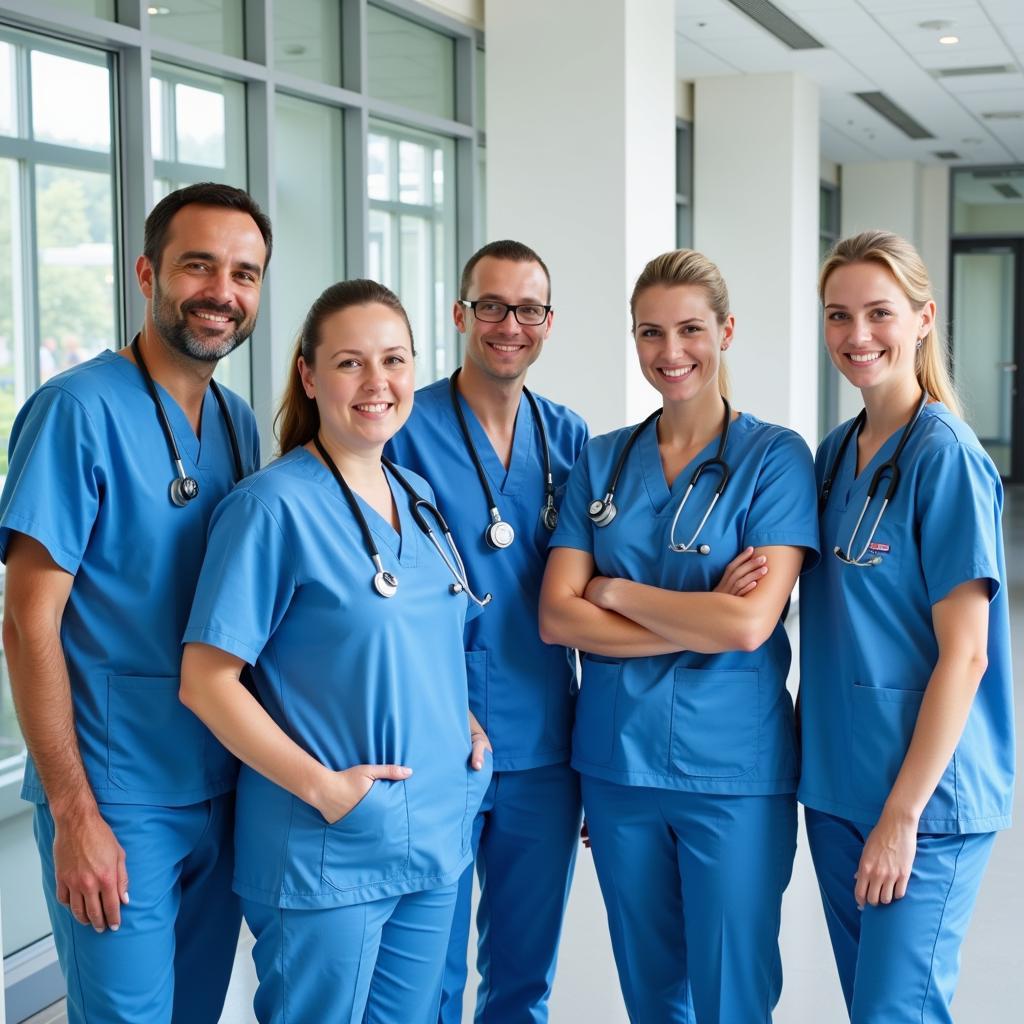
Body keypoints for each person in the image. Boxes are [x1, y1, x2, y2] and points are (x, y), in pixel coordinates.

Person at [180, 279, 492, 1024]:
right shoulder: (270, 508)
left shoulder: (414, 494)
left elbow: (427, 639)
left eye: (394, 359)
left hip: (435, 829)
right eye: (351, 363)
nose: (377, 383)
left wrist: (464, 724)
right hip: (328, 847)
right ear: (310, 376)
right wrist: (323, 789)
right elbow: (206, 680)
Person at [0, 182, 269, 1023]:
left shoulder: (237, 423)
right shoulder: (74, 411)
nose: (222, 292)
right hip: (116, 797)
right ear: (148, 275)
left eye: (245, 273)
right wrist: (77, 814)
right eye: (199, 265)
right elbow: (24, 621)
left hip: (219, 789)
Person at [539, 249, 820, 1023]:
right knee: (653, 995)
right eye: (650, 332)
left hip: (733, 773)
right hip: (619, 768)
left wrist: (617, 592)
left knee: (734, 994)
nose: (671, 353)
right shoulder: (601, 460)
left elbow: (749, 622)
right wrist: (695, 618)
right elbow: (558, 616)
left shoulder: (774, 458)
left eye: (691, 329)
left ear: (726, 331)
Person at [798, 230, 1013, 1024]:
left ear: (923, 319)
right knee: (873, 1009)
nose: (857, 336)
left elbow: (967, 656)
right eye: (838, 315)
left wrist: (901, 815)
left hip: (925, 801)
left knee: (897, 1012)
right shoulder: (832, 457)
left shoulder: (945, 457)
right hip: (839, 785)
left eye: (879, 313)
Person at [385, 239, 589, 1023]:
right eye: (492, 306)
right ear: (460, 313)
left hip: (542, 740)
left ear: (548, 321)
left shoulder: (568, 436)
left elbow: (600, 569)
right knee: (426, 977)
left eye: (528, 308)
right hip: (436, 735)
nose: (510, 324)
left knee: (524, 975)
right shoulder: (405, 428)